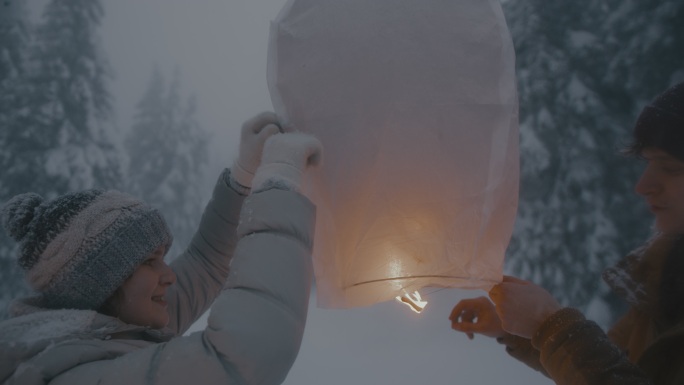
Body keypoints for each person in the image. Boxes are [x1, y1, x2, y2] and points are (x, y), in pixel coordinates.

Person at [0, 111, 323, 385]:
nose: (168, 275)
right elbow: (244, 356)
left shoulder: (110, 329)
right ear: (98, 284)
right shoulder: (78, 374)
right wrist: (278, 187)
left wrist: (244, 179)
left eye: (163, 257)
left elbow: (206, 261)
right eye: (149, 261)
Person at [450, 81, 684, 385]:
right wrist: (527, 330)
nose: (643, 186)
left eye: (670, 168)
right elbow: (617, 370)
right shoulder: (667, 276)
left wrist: (549, 325)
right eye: (649, 164)